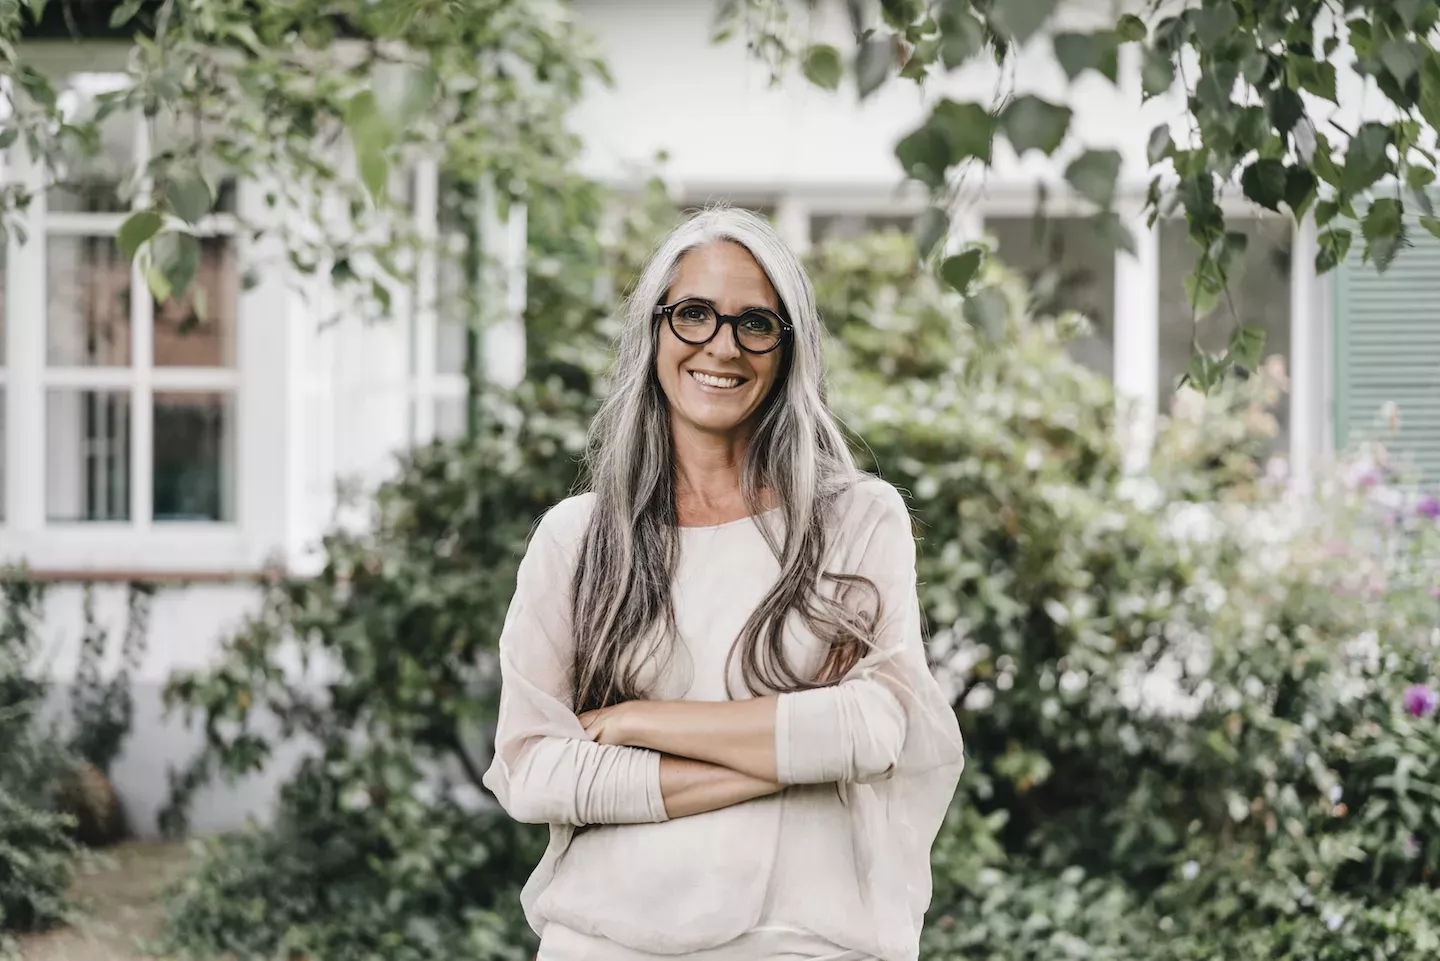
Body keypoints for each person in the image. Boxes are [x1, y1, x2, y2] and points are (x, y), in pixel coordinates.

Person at [482, 206, 966, 961]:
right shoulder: (576, 539)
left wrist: (637, 719)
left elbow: (873, 731)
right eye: (694, 314)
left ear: (788, 349)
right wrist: (796, 757)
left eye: (755, 323)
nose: (722, 345)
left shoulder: (856, 520)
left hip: (805, 943)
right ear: (654, 330)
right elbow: (532, 769)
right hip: (605, 942)